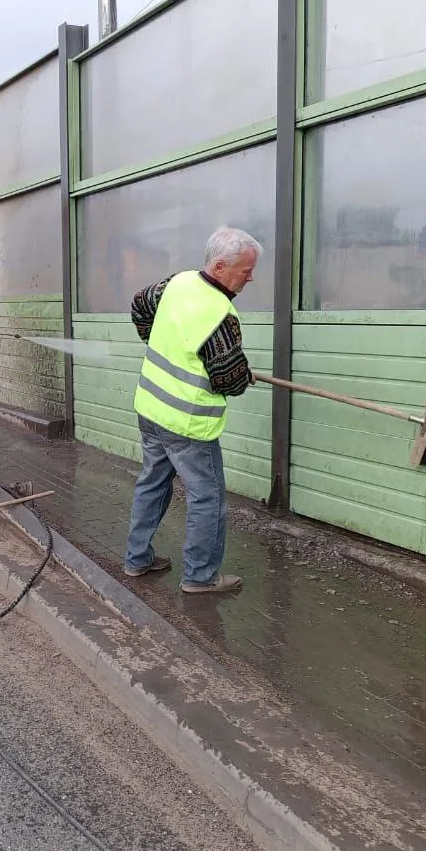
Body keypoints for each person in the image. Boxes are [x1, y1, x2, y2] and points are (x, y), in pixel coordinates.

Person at [123, 226, 261, 594]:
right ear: (220, 266)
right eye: (246, 271)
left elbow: (139, 303)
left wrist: (160, 341)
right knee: (207, 496)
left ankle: (137, 560)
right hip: (187, 425)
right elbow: (229, 381)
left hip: (151, 410)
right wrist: (241, 374)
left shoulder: (177, 282)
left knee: (152, 483)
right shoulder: (219, 316)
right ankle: (200, 577)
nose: (251, 277)